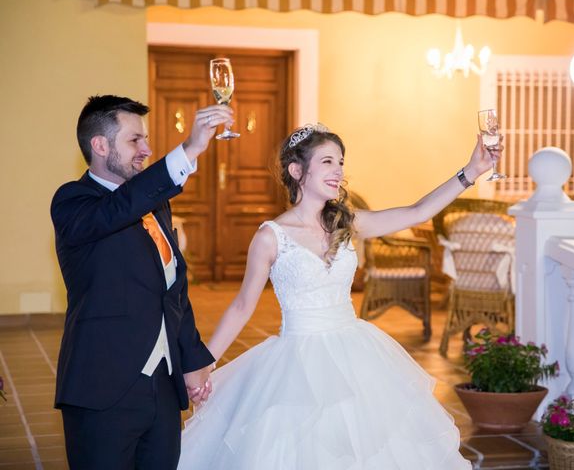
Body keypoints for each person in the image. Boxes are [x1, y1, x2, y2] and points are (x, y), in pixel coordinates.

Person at [177, 123, 498, 469]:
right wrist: (205, 365)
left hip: (356, 357)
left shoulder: (348, 224)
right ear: (297, 170)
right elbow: (242, 306)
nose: (339, 171)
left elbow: (417, 211)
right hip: (296, 363)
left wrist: (471, 173)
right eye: (328, 161)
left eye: (341, 162)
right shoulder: (271, 237)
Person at [50, 95, 234, 469]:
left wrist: (193, 360)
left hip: (162, 387)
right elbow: (118, 209)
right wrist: (189, 149)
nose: (147, 149)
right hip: (103, 387)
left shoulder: (156, 204)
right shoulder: (74, 202)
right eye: (135, 140)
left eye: (145, 139)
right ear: (100, 145)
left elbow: (173, 290)